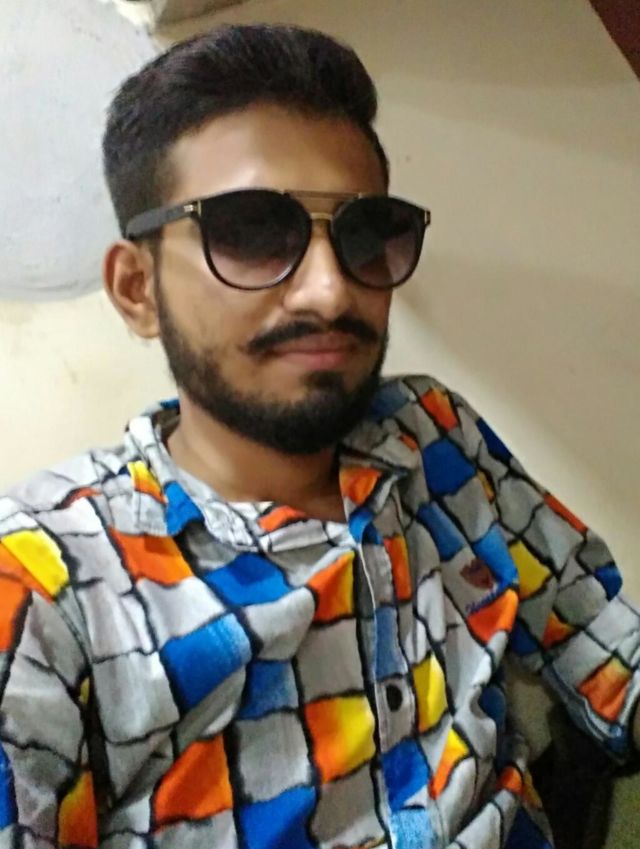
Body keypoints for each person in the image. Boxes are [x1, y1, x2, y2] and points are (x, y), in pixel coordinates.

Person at [0, 23, 637, 849]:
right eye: (251, 232)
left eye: (366, 234)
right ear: (137, 289)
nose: (332, 291)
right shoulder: (46, 584)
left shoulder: (434, 439)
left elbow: (608, 652)